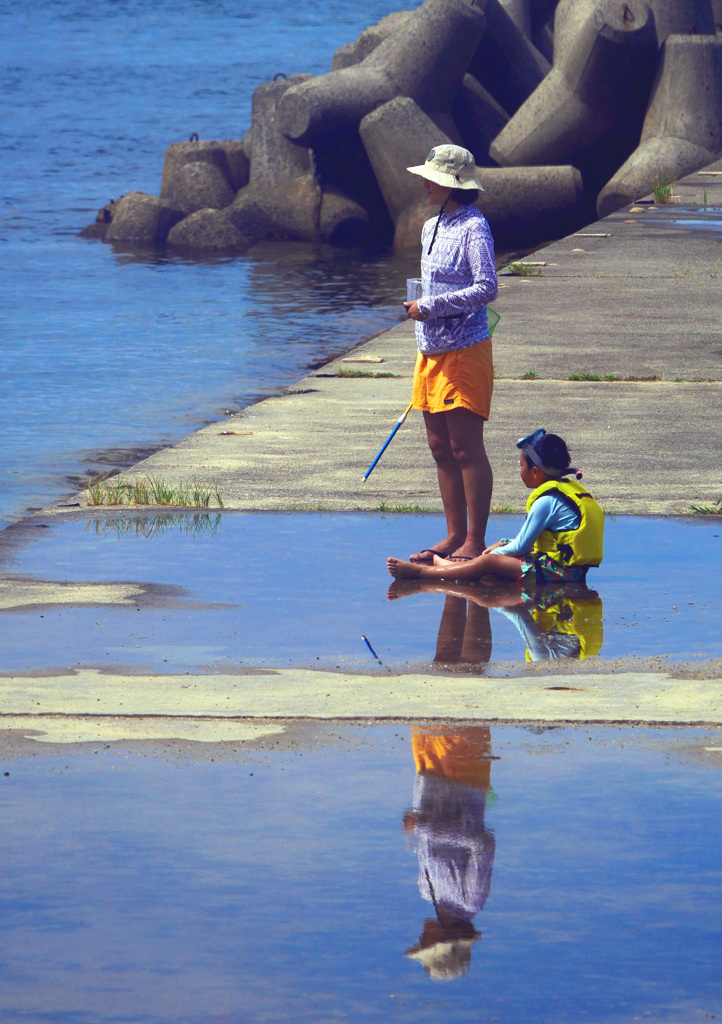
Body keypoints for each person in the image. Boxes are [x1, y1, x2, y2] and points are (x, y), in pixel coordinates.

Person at [403, 144, 498, 564]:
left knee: (465, 448)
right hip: (430, 349)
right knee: (439, 447)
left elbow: (487, 287)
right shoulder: (430, 226)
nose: (425, 183)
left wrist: (430, 307)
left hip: (464, 349)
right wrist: (418, 306)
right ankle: (453, 533)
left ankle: (474, 540)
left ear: (453, 185)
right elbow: (433, 284)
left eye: (433, 178)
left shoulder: (474, 226)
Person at [387, 428, 604, 584]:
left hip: (561, 573)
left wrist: (493, 553)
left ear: (536, 471)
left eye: (521, 466)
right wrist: (501, 546)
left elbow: (521, 548)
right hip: (569, 567)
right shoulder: (565, 490)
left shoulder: (546, 501)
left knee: (489, 563)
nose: (520, 471)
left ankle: (421, 573)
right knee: (500, 550)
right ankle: (455, 569)